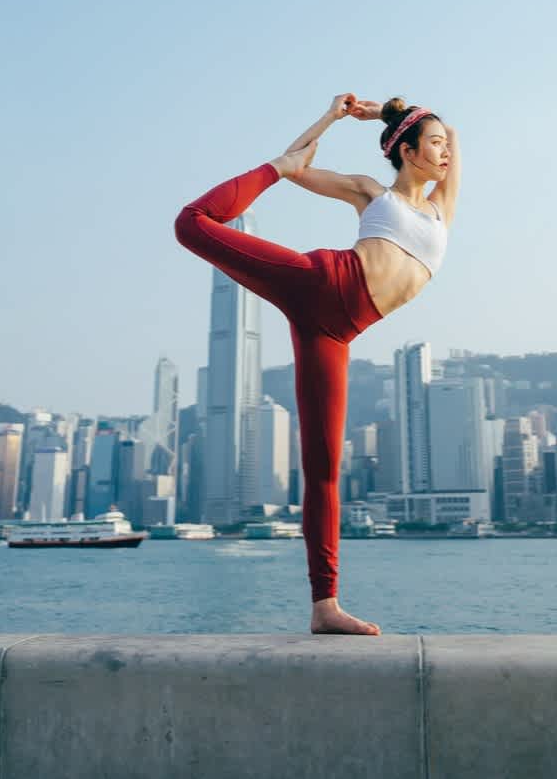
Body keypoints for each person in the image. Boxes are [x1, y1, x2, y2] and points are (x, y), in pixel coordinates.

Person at [172, 93, 457, 635]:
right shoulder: (369, 191)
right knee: (192, 224)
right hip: (321, 280)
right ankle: (263, 173)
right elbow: (299, 161)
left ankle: (324, 606)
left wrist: (394, 110)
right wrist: (328, 121)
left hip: (335, 331)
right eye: (435, 143)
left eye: (445, 143)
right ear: (409, 153)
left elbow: (456, 135)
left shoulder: (444, 206)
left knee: (323, 468)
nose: (445, 151)